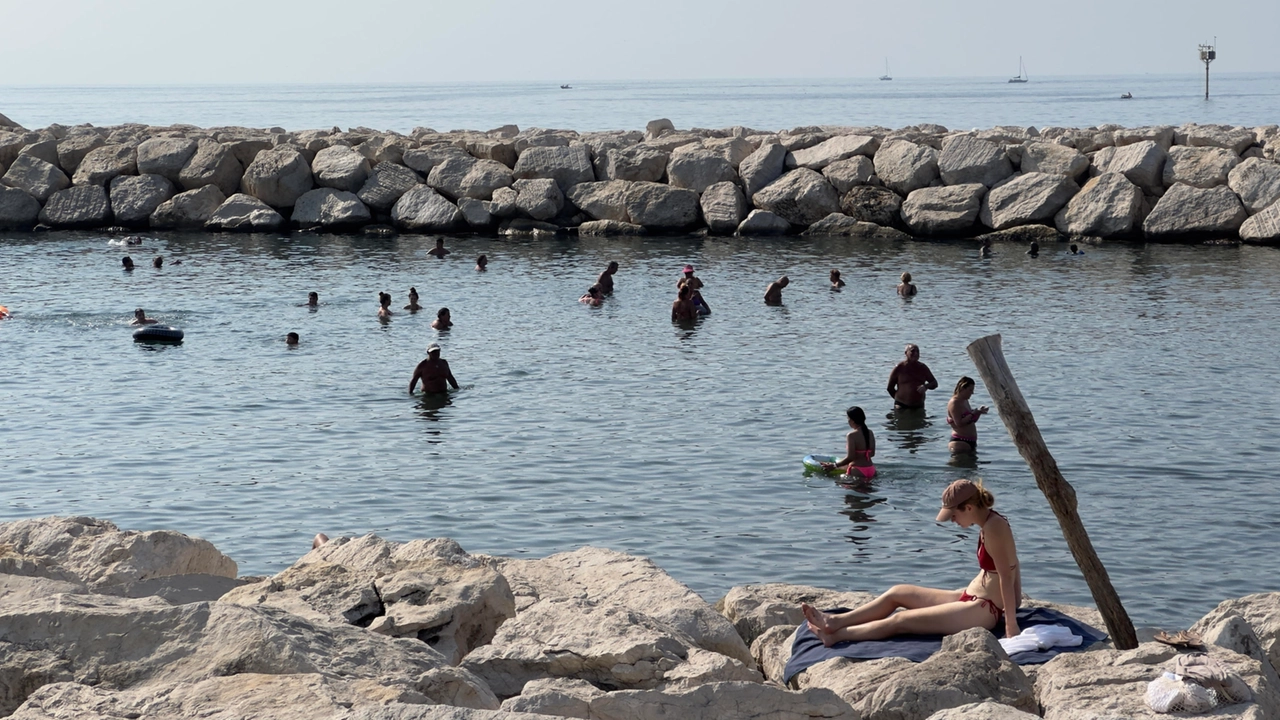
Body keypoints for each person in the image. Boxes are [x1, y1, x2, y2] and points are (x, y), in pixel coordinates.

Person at [801, 478, 1021, 645]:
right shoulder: (988, 523)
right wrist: (1017, 600)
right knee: (898, 592)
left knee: (901, 620)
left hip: (984, 610)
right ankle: (835, 622)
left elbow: (1006, 574)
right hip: (969, 597)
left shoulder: (994, 527)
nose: (953, 521)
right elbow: (1014, 562)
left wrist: (1010, 623)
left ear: (969, 508)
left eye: (954, 516)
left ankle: (836, 637)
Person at [820, 406, 876, 479]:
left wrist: (834, 465)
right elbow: (872, 454)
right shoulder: (870, 432)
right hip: (871, 469)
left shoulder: (851, 435)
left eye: (848, 419)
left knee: (838, 483)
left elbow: (851, 457)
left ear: (852, 420)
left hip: (857, 470)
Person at [886, 344, 938, 411]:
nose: (915, 353)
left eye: (917, 351)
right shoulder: (899, 368)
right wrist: (899, 398)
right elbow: (890, 388)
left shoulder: (923, 368)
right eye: (912, 351)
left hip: (918, 405)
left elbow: (934, 383)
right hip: (901, 405)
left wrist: (926, 386)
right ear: (906, 353)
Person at [947, 376, 989, 454]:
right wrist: (973, 413)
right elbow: (959, 423)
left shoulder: (965, 400)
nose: (972, 393)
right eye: (970, 390)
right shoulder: (954, 402)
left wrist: (979, 412)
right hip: (959, 442)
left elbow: (970, 420)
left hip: (971, 441)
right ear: (962, 388)